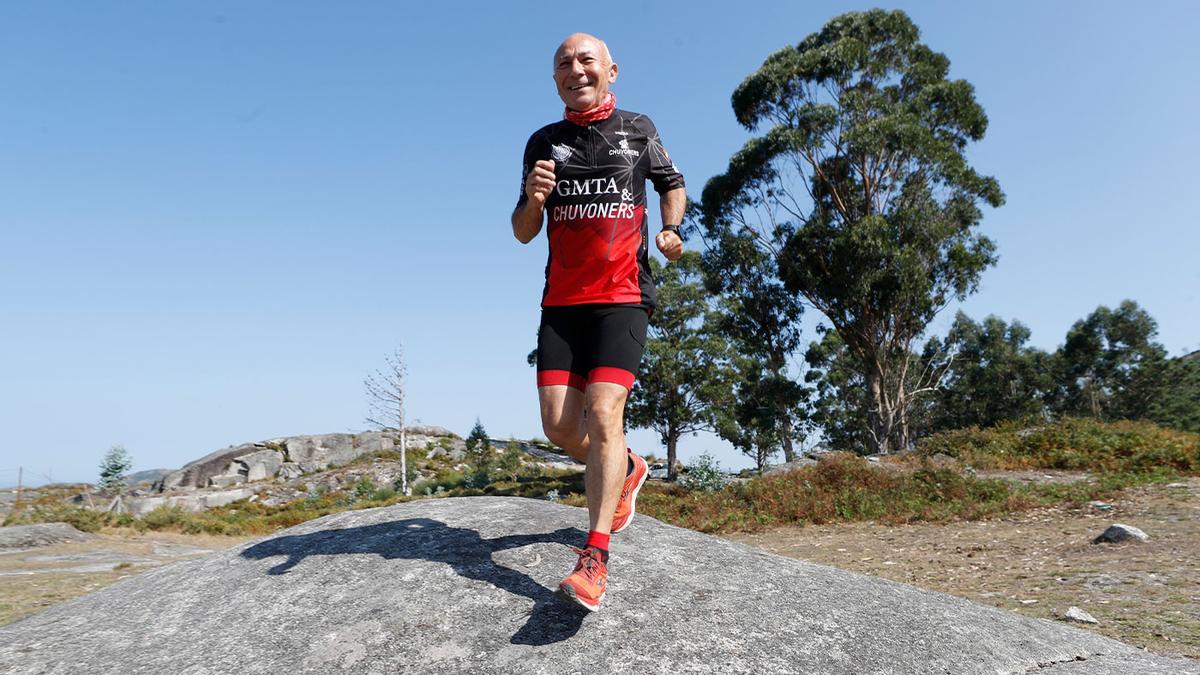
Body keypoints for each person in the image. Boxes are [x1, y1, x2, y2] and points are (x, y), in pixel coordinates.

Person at [511, 33, 686, 612]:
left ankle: (595, 556)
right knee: (560, 429)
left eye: (587, 60)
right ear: (554, 78)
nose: (575, 69)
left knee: (605, 413)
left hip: (622, 295)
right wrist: (535, 199)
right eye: (564, 63)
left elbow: (673, 183)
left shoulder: (638, 128)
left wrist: (670, 229)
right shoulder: (543, 141)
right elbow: (521, 231)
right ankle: (628, 466)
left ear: (611, 70)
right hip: (561, 303)